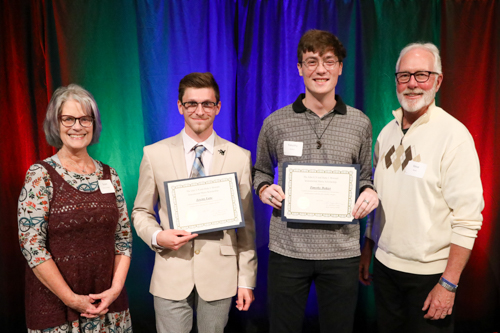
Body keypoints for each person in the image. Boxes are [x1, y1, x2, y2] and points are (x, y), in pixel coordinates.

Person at [253, 29, 378, 333]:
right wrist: (264, 189)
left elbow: (365, 177)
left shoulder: (360, 122)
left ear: (340, 68)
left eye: (328, 61)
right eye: (311, 62)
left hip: (342, 250)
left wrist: (370, 192)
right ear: (299, 68)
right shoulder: (275, 122)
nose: (320, 70)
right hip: (287, 249)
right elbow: (260, 171)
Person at [359, 42, 484, 333]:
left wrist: (448, 284)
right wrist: (368, 250)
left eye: (422, 75)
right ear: (396, 81)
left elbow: (467, 219)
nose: (412, 84)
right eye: (404, 76)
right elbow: (378, 198)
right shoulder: (386, 132)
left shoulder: (454, 136)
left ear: (438, 81)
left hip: (430, 277)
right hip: (385, 270)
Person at [132, 72, 257, 333]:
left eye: (207, 104)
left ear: (218, 107)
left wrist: (246, 279)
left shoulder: (239, 157)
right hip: (171, 271)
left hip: (220, 275)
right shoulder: (154, 154)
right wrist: (157, 236)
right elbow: (141, 211)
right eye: (191, 103)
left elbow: (247, 227)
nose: (199, 111)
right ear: (180, 106)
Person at [18, 84, 133, 332]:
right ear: (55, 124)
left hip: (109, 305)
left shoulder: (109, 175)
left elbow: (123, 238)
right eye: (68, 119)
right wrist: (72, 299)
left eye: (84, 119)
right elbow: (32, 246)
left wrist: (114, 291)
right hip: (58, 309)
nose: (77, 126)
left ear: (94, 123)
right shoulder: (40, 175)